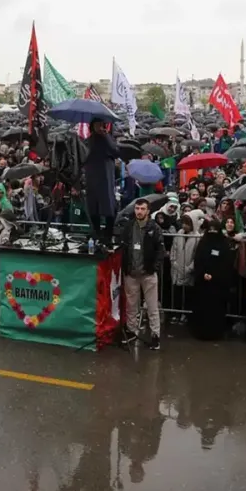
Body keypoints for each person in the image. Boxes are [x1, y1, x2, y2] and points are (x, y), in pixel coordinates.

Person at [119, 197, 165, 350]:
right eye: (137, 209)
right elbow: (124, 246)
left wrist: (154, 268)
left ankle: (155, 336)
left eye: (142, 209)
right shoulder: (128, 227)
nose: (139, 211)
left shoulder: (155, 228)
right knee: (131, 306)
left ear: (148, 211)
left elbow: (160, 250)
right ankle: (132, 331)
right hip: (131, 273)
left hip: (148, 274)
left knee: (152, 307)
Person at [190, 219, 235, 340]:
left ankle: (215, 332)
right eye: (210, 230)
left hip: (218, 284)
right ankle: (200, 332)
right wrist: (203, 273)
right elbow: (198, 260)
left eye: (215, 230)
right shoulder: (203, 242)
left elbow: (226, 263)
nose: (212, 232)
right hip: (203, 283)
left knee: (216, 310)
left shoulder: (224, 244)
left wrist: (215, 275)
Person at [83, 118, 119, 246]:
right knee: (93, 207)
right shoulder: (88, 141)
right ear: (92, 126)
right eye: (96, 125)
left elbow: (116, 152)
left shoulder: (107, 138)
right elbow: (83, 156)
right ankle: (96, 233)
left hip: (105, 177)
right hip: (92, 176)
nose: (99, 127)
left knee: (108, 206)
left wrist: (107, 136)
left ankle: (108, 235)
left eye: (101, 124)